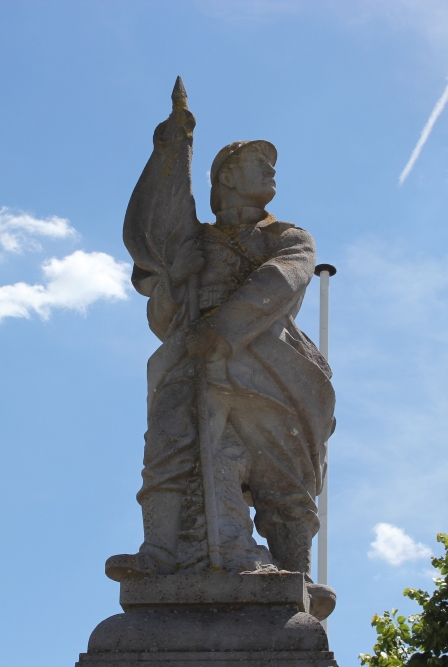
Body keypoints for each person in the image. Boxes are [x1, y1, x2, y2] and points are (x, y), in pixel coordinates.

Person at [107, 139, 335, 582]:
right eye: (258, 162)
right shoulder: (191, 242)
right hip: (190, 355)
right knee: (168, 449)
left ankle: (297, 575)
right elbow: (161, 318)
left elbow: (279, 281)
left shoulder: (286, 237)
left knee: (283, 473)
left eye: (271, 164)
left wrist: (222, 330)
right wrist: (175, 278)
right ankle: (158, 551)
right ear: (226, 177)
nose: (271, 170)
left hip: (264, 362)